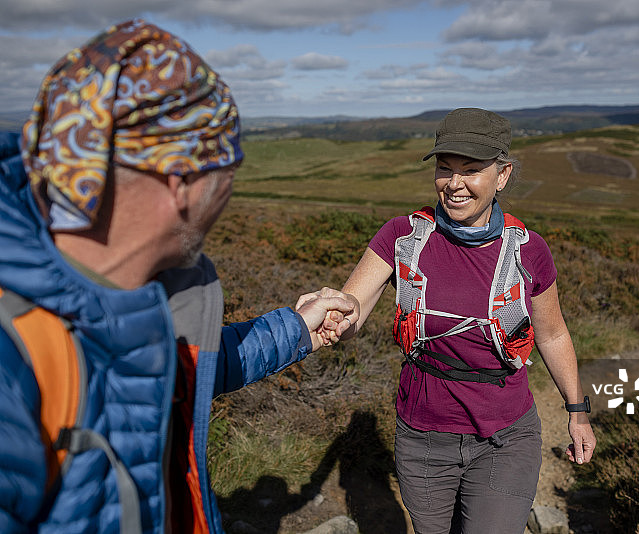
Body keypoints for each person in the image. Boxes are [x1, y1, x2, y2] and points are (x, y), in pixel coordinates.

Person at [0, 20, 354, 534]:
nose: (229, 196)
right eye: (229, 171)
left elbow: (177, 366)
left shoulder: (137, 285)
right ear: (182, 180)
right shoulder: (13, 349)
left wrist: (297, 329)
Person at [327, 108, 596, 533]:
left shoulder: (528, 252)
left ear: (502, 175)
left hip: (505, 435)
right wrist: (334, 317)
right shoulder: (402, 237)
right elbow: (353, 306)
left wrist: (577, 411)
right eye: (444, 168)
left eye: (471, 170)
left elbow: (553, 334)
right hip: (422, 436)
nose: (454, 184)